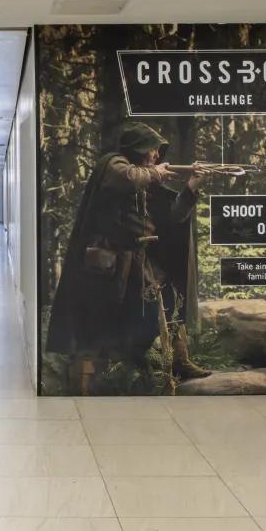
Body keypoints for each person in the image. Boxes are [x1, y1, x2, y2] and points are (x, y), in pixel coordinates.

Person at [46, 122, 211, 394]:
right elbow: (129, 177)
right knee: (94, 326)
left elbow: (172, 218)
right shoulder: (114, 165)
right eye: (154, 151)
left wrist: (192, 186)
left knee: (169, 301)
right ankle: (84, 387)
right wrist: (154, 173)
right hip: (107, 266)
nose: (158, 156)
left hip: (139, 261)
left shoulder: (145, 178)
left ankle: (178, 361)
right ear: (139, 148)